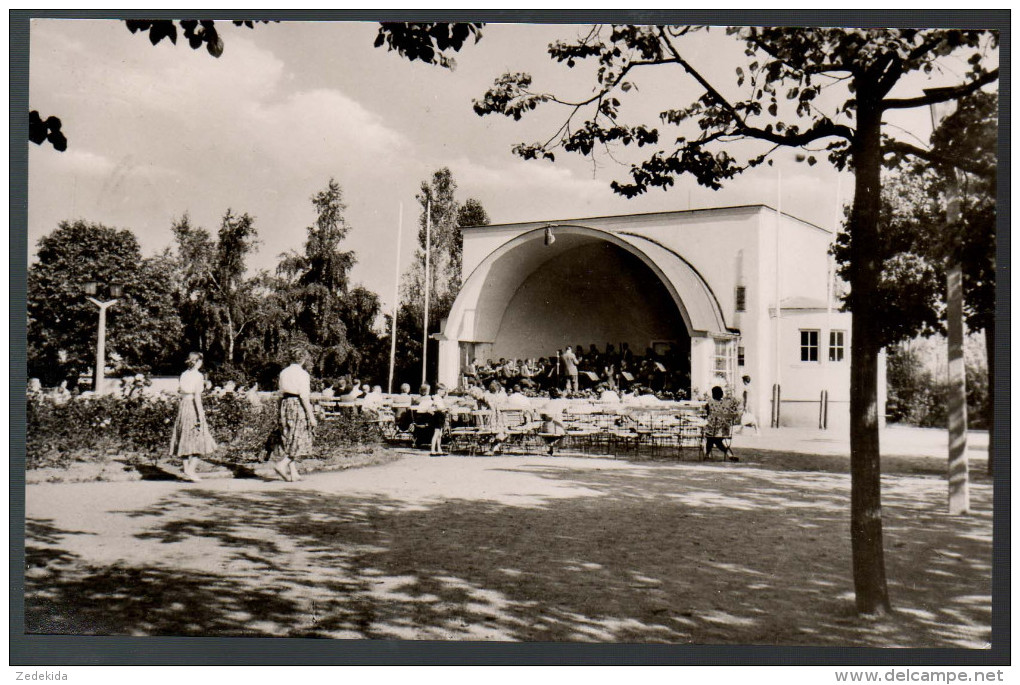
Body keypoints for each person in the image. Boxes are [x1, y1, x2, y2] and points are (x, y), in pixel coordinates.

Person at [271, 348, 318, 482]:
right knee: (299, 437)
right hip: (297, 405)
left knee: (289, 436)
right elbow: (304, 396)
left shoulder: (284, 372)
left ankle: (294, 472)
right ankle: (282, 464)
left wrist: (279, 411)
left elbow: (280, 393)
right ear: (303, 359)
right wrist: (311, 416)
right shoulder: (303, 374)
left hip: (285, 405)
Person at [169, 352, 216, 482]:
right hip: (192, 407)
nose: (201, 363)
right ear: (195, 362)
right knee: (199, 437)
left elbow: (181, 390)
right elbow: (197, 396)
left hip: (183, 406)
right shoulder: (198, 376)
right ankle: (190, 470)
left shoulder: (184, 374)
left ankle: (186, 471)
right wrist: (200, 414)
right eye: (200, 361)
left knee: (184, 437)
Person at [705, 385, 739, 461]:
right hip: (724, 430)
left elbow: (707, 414)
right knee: (715, 439)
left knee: (710, 437)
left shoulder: (710, 403)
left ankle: (707, 453)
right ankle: (729, 454)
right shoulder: (726, 403)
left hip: (713, 430)